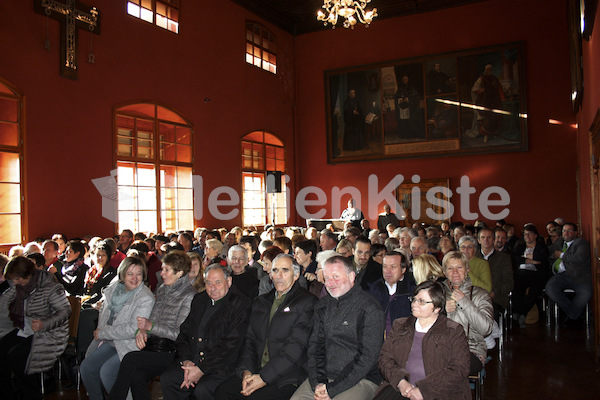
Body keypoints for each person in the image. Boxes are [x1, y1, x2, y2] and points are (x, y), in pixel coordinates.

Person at [215, 254, 318, 399]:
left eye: (285, 270)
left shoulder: (307, 303)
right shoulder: (261, 302)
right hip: (257, 369)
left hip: (287, 376)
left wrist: (263, 378)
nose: (279, 276)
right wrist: (247, 371)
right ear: (270, 274)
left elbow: (295, 349)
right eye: (275, 270)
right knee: (223, 391)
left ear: (295, 275)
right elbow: (250, 340)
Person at [290, 255, 384, 400]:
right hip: (325, 377)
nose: (330, 283)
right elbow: (315, 347)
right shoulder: (323, 305)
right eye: (326, 278)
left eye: (336, 276)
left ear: (352, 276)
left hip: (361, 379)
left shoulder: (370, 308)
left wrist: (333, 389)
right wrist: (318, 383)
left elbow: (367, 358)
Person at [108, 251, 197, 400]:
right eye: (162, 269)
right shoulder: (163, 289)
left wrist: (151, 326)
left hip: (172, 351)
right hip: (155, 346)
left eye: (166, 270)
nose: (161, 273)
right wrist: (142, 331)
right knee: (136, 376)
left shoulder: (189, 295)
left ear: (180, 272)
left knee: (130, 359)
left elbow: (179, 334)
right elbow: (152, 320)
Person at [159, 265, 252, 400]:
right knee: (169, 379)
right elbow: (184, 333)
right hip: (192, 361)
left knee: (204, 389)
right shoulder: (199, 299)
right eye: (208, 283)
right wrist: (186, 361)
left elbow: (231, 345)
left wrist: (201, 369)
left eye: (218, 282)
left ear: (229, 282)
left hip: (221, 366)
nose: (213, 287)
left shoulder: (241, 303)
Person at [375, 280, 471, 400]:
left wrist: (425, 390)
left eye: (421, 301)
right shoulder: (400, 326)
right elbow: (385, 359)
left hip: (440, 392)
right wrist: (400, 381)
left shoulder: (453, 331)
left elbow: (459, 369)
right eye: (414, 299)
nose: (414, 304)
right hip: (401, 390)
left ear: (437, 308)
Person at [80, 257, 155, 400]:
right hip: (110, 340)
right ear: (122, 274)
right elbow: (104, 314)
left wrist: (103, 333)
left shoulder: (145, 297)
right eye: (130, 274)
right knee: (87, 368)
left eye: (138, 274)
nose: (134, 278)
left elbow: (133, 328)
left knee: (107, 372)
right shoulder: (114, 289)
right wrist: (103, 333)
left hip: (130, 344)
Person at [0, 256, 71, 400]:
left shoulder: (50, 287)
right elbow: (6, 299)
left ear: (27, 275)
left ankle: (31, 394)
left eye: (17, 279)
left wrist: (44, 323)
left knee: (16, 357)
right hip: (27, 329)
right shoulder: (22, 285)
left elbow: (65, 311)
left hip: (50, 333)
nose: (14, 283)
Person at [442, 251, 493, 376]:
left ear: (467, 270)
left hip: (472, 349)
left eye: (459, 267)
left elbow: (486, 329)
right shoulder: (438, 294)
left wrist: (464, 302)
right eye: (450, 268)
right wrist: (442, 312)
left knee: (451, 369)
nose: (455, 272)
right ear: (444, 272)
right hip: (442, 348)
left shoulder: (480, 294)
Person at [546, 223, 592, 326]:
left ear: (575, 232)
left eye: (569, 231)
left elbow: (579, 257)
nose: (566, 233)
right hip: (561, 275)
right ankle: (574, 314)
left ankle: (571, 316)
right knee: (550, 288)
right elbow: (547, 252)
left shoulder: (581, 243)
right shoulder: (559, 242)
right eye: (564, 231)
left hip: (579, 276)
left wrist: (561, 255)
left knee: (586, 293)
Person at [369, 251, 415, 337]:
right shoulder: (373, 289)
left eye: (393, 267)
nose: (388, 271)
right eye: (385, 267)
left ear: (403, 269)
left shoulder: (412, 291)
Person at [512, 224, 549, 328]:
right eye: (525, 234)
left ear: (536, 235)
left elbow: (542, 259)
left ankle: (522, 313)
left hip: (537, 274)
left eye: (529, 234)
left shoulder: (541, 247)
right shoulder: (520, 246)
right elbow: (515, 258)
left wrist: (525, 257)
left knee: (534, 291)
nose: (527, 236)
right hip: (522, 273)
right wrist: (531, 260)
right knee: (517, 289)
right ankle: (519, 312)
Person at [477, 228, 513, 320]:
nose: (486, 240)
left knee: (488, 313)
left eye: (489, 237)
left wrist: (494, 293)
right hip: (475, 297)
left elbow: (509, 282)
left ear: (493, 240)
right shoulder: (473, 257)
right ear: (479, 240)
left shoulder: (504, 258)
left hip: (495, 298)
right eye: (483, 237)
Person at [394, 75, 422, 139]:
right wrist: (399, 99)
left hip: (410, 109)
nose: (405, 81)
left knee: (409, 122)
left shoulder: (412, 88)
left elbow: (416, 97)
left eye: (406, 79)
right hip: (402, 108)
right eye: (403, 80)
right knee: (403, 122)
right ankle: (404, 135)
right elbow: (396, 97)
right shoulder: (400, 88)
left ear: (408, 79)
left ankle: (410, 134)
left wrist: (408, 99)